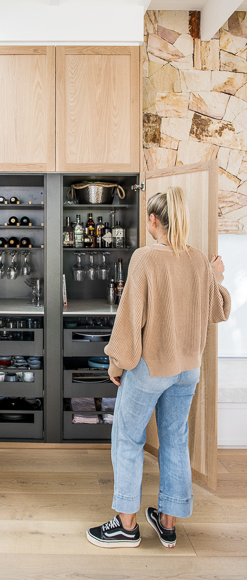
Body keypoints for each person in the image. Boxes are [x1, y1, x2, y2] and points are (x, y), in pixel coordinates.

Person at [86, 186, 231, 549]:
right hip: (187, 370)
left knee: (128, 439)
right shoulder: (198, 260)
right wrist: (214, 277)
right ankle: (167, 522)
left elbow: (129, 318)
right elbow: (219, 310)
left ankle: (125, 525)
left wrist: (117, 362)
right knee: (174, 440)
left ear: (153, 220)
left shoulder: (146, 258)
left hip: (152, 368)